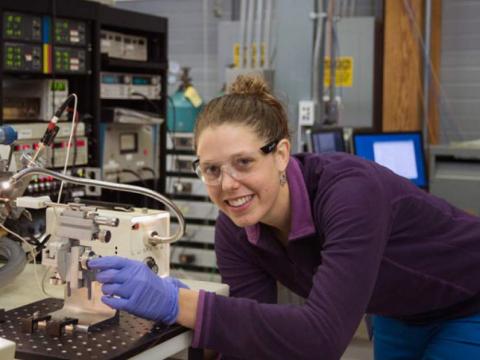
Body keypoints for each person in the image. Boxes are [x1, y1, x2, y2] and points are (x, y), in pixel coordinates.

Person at [88, 75, 480, 360]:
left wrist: (180, 304)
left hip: (469, 301)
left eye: (243, 162)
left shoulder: (350, 192)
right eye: (211, 169)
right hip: (399, 310)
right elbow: (254, 338)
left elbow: (323, 338)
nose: (227, 184)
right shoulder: (235, 228)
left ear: (280, 155)